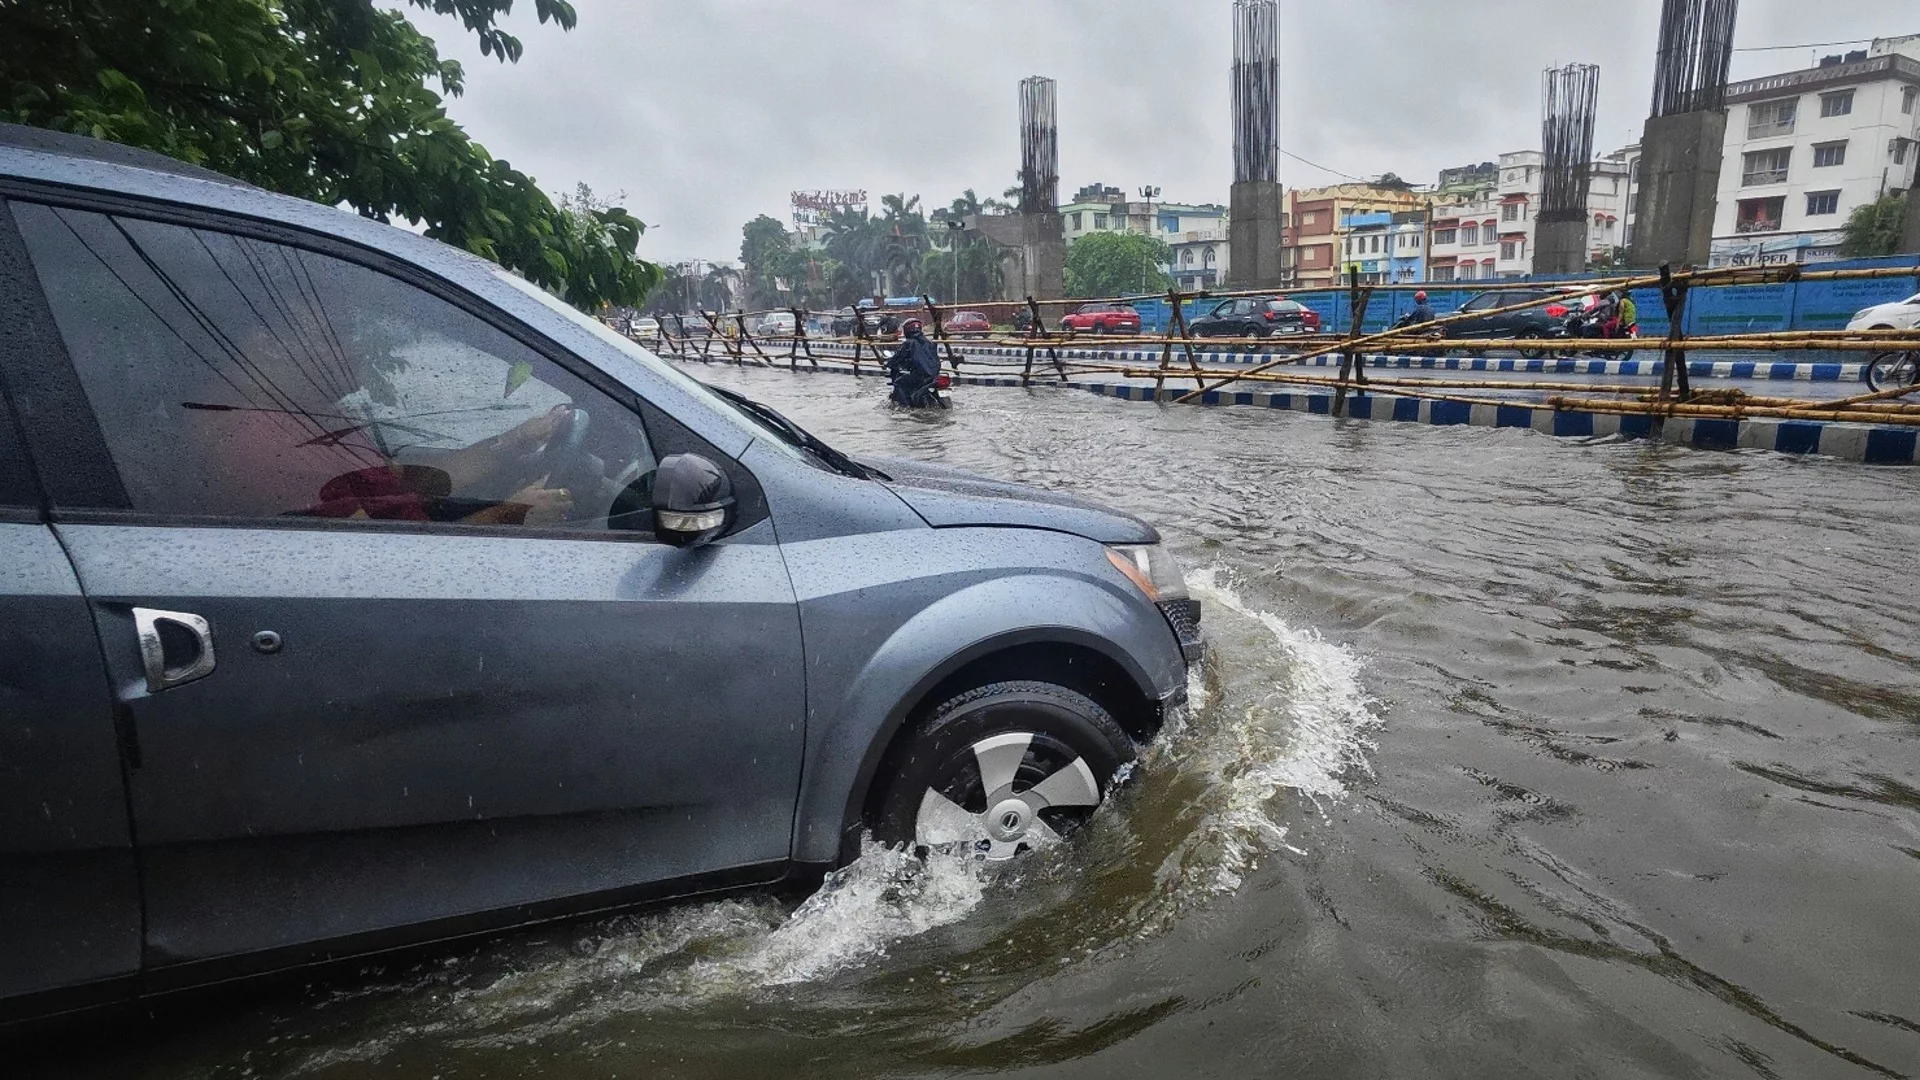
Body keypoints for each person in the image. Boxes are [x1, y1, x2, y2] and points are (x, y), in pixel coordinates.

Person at [886, 319, 942, 407]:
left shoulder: (908, 343)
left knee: (898, 382)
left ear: (907, 330)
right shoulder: (929, 343)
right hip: (933, 376)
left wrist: (889, 363)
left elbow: (898, 357)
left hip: (919, 376)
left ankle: (906, 407)